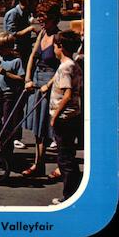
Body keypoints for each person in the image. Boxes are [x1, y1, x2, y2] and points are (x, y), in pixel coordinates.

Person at [39, 30, 83, 204]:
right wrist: (48, 86)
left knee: (64, 158)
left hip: (63, 117)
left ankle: (69, 195)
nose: (54, 50)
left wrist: (54, 116)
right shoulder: (71, 64)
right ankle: (76, 188)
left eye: (55, 46)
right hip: (72, 116)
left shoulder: (65, 67)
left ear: (61, 47)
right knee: (68, 155)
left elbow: (67, 94)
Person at [21, 1, 62, 177]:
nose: (39, 20)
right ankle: (39, 164)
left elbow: (63, 66)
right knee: (38, 126)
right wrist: (28, 78)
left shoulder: (59, 37)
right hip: (37, 80)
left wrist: (49, 84)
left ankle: (62, 165)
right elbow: (32, 56)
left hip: (51, 82)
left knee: (51, 127)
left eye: (43, 16)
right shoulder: (42, 33)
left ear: (53, 17)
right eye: (39, 16)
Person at [3, 0, 39, 149]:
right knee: (14, 97)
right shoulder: (13, 14)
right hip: (15, 58)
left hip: (24, 55)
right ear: (28, 1)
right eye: (35, 0)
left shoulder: (25, 14)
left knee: (21, 98)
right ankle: (11, 135)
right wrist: (29, 30)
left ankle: (15, 133)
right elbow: (10, 34)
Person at [0, 31, 25, 157]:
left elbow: (21, 78)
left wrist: (7, 74)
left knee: (8, 122)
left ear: (9, 48)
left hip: (10, 95)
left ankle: (7, 150)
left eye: (0, 49)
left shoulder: (16, 61)